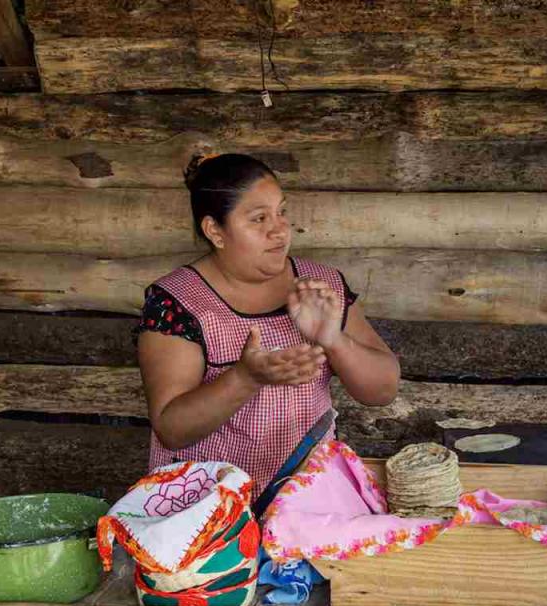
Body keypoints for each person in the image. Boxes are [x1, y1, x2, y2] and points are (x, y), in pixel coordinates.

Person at [134, 153, 400, 501]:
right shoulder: (179, 302)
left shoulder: (320, 286)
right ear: (215, 230)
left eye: (282, 212)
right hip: (206, 507)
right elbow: (172, 428)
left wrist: (334, 340)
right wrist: (246, 377)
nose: (280, 229)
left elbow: (382, 391)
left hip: (305, 496)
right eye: (259, 218)